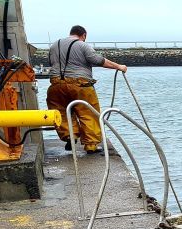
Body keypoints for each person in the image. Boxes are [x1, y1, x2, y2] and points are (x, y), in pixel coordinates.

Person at [46, 25, 127, 153]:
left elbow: (51, 63)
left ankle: (70, 137)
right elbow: (99, 60)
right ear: (83, 35)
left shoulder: (54, 45)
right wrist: (119, 66)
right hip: (80, 84)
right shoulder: (82, 45)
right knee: (88, 113)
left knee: (61, 112)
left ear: (71, 33)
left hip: (56, 85)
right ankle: (91, 145)